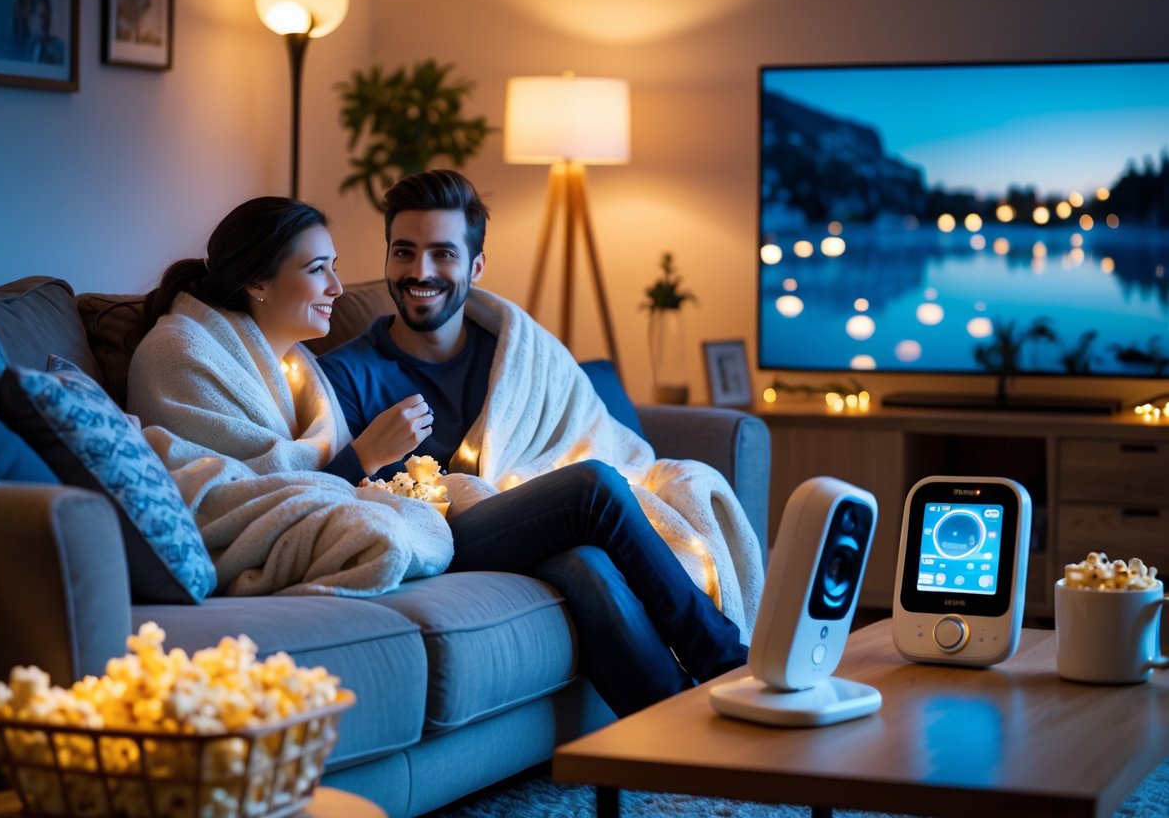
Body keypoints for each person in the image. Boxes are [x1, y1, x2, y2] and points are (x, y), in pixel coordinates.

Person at [317, 170, 760, 716]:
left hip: (526, 522)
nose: (420, 271)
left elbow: (577, 430)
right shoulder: (346, 374)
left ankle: (679, 730)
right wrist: (367, 453)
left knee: (587, 567)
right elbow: (317, 499)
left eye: (443, 254)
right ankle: (731, 664)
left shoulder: (511, 351)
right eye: (404, 252)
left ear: (476, 266)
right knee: (591, 487)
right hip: (440, 537)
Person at [128, 197, 452, 598]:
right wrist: (363, 456)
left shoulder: (297, 364)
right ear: (258, 282)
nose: (336, 287)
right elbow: (233, 501)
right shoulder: (180, 355)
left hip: (327, 510)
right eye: (317, 269)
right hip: (248, 543)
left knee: (466, 491)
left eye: (334, 267)